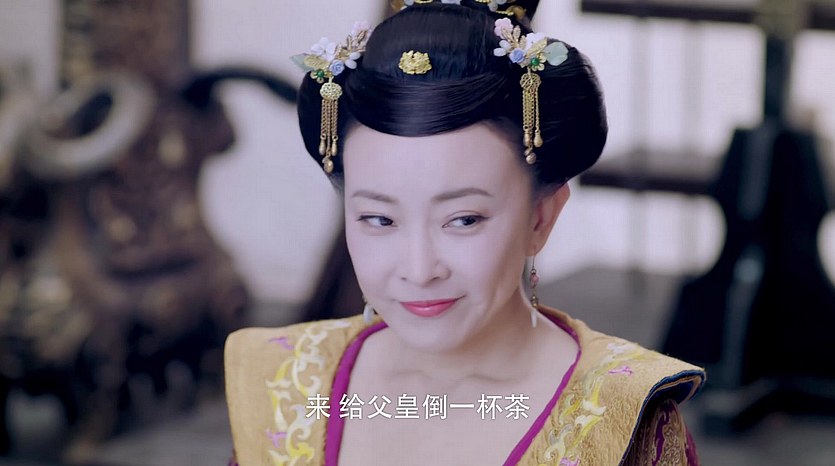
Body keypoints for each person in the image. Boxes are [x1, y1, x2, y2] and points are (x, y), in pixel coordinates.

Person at [225, 1, 705, 464]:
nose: (419, 270)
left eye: (464, 220)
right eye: (380, 219)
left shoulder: (615, 415)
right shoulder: (284, 381)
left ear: (540, 218)